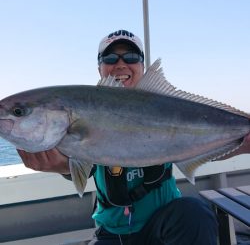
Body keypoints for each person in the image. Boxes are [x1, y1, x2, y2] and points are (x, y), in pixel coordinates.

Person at [17, 29, 250, 245]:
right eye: (109, 59)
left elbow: (198, 147)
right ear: (99, 69)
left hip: (165, 222)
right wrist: (62, 167)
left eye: (130, 57)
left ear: (142, 66)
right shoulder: (85, 110)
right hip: (112, 232)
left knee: (195, 214)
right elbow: (78, 168)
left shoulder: (164, 109)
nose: (120, 64)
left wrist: (242, 146)